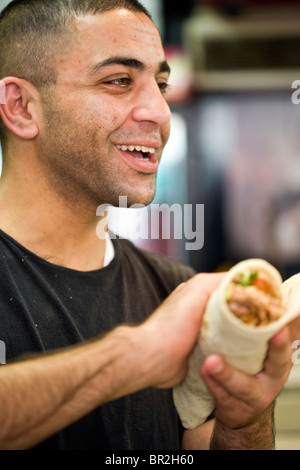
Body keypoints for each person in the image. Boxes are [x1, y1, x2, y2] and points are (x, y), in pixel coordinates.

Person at [0, 0, 299, 451]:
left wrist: (244, 421)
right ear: (21, 107)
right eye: (119, 81)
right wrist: (136, 356)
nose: (160, 113)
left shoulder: (174, 291)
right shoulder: (164, 326)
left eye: (160, 84)